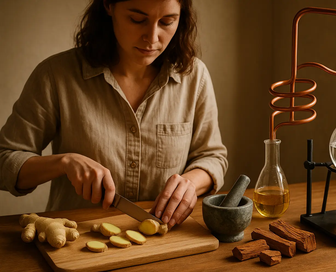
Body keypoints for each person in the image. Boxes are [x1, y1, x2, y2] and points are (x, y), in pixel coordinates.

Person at [0, 0, 228, 229]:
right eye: (137, 19)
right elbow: (4, 160)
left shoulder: (194, 76)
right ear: (109, 5)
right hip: (76, 243)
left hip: (167, 243)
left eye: (167, 22)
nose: (152, 37)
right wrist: (63, 162)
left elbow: (213, 157)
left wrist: (191, 183)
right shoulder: (55, 75)